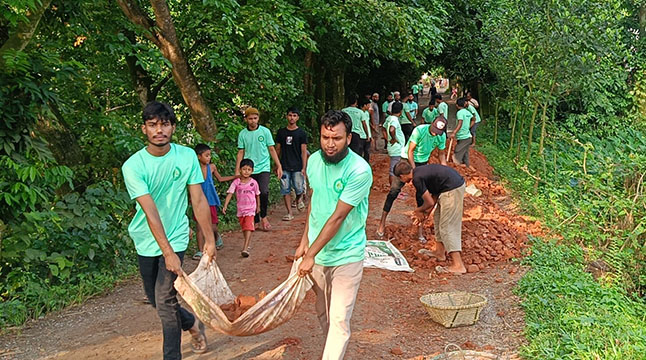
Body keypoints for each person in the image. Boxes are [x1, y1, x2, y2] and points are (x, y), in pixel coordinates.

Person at [121, 101, 212, 359]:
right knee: (155, 299)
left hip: (177, 235)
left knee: (165, 298)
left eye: (164, 124)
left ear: (173, 127)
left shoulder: (185, 157)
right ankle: (193, 323)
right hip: (146, 238)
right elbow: (150, 211)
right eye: (153, 125)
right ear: (144, 129)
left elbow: (198, 200)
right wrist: (166, 252)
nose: (159, 130)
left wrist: (209, 241)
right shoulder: (134, 166)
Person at [295, 109, 372, 360]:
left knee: (339, 319)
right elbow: (314, 202)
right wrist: (304, 241)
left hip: (347, 254)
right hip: (318, 255)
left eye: (336, 138)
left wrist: (311, 254)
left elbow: (338, 217)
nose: (330, 144)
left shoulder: (359, 170)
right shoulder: (314, 161)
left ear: (349, 138)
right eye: (325, 137)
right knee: (323, 314)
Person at [377, 115, 448, 240]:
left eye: (438, 133)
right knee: (394, 191)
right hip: (408, 161)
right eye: (434, 130)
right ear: (431, 124)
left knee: (422, 196)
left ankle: (419, 230)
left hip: (423, 163)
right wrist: (415, 171)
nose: (435, 134)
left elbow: (441, 154)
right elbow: (410, 151)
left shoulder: (441, 136)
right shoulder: (419, 130)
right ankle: (382, 223)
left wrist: (445, 170)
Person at [393, 161, 467, 274]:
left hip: (452, 190)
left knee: (447, 226)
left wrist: (418, 211)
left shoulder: (417, 179)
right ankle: (439, 252)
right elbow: (435, 194)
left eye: (400, 179)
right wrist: (426, 213)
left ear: (402, 176)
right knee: (438, 219)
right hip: (446, 189)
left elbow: (429, 202)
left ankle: (458, 265)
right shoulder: (419, 172)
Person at [235, 107, 282, 231]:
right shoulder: (243, 134)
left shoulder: (265, 132)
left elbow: (271, 149)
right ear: (246, 119)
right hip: (248, 169)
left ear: (258, 118)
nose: (253, 121)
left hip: (263, 167)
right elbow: (241, 152)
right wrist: (237, 170)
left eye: (255, 118)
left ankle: (264, 216)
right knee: (251, 194)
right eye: (250, 118)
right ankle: (255, 219)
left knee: (264, 191)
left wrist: (278, 165)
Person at [192, 144, 236, 259]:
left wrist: (235, 176)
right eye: (206, 155)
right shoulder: (193, 168)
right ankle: (200, 250)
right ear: (198, 156)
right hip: (198, 200)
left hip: (210, 200)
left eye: (209, 155)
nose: (209, 158)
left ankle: (217, 238)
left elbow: (220, 179)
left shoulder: (211, 167)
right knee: (199, 226)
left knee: (213, 226)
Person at [222, 158, 260, 257]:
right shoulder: (236, 182)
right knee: (244, 228)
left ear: (252, 171)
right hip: (241, 209)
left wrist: (258, 207)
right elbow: (230, 193)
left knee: (248, 227)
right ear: (240, 170)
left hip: (250, 209)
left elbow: (257, 195)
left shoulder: (254, 183)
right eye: (244, 169)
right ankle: (247, 244)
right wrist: (225, 205)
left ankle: (245, 248)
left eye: (249, 169)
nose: (246, 171)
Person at [275, 107, 309, 221]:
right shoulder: (281, 132)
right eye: (290, 115)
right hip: (284, 165)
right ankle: (289, 212)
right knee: (285, 189)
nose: (292, 118)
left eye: (294, 115)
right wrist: (277, 164)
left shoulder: (301, 133)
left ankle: (299, 198)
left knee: (299, 188)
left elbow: (304, 151)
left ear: (298, 118)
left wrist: (304, 167)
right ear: (286, 116)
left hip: (297, 166)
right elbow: (278, 149)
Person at [342, 94, 371, 161]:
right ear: (356, 102)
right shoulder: (360, 112)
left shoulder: (343, 111)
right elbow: (364, 124)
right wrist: (367, 135)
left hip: (346, 133)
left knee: (346, 151)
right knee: (356, 152)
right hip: (356, 134)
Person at [452, 98, 475, 170]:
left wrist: (454, 132)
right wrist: (468, 126)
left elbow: (460, 123)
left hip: (463, 137)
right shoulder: (468, 112)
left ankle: (458, 164)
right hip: (468, 136)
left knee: (457, 150)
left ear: (457, 105)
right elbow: (474, 119)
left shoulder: (460, 113)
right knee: (465, 152)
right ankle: (467, 165)